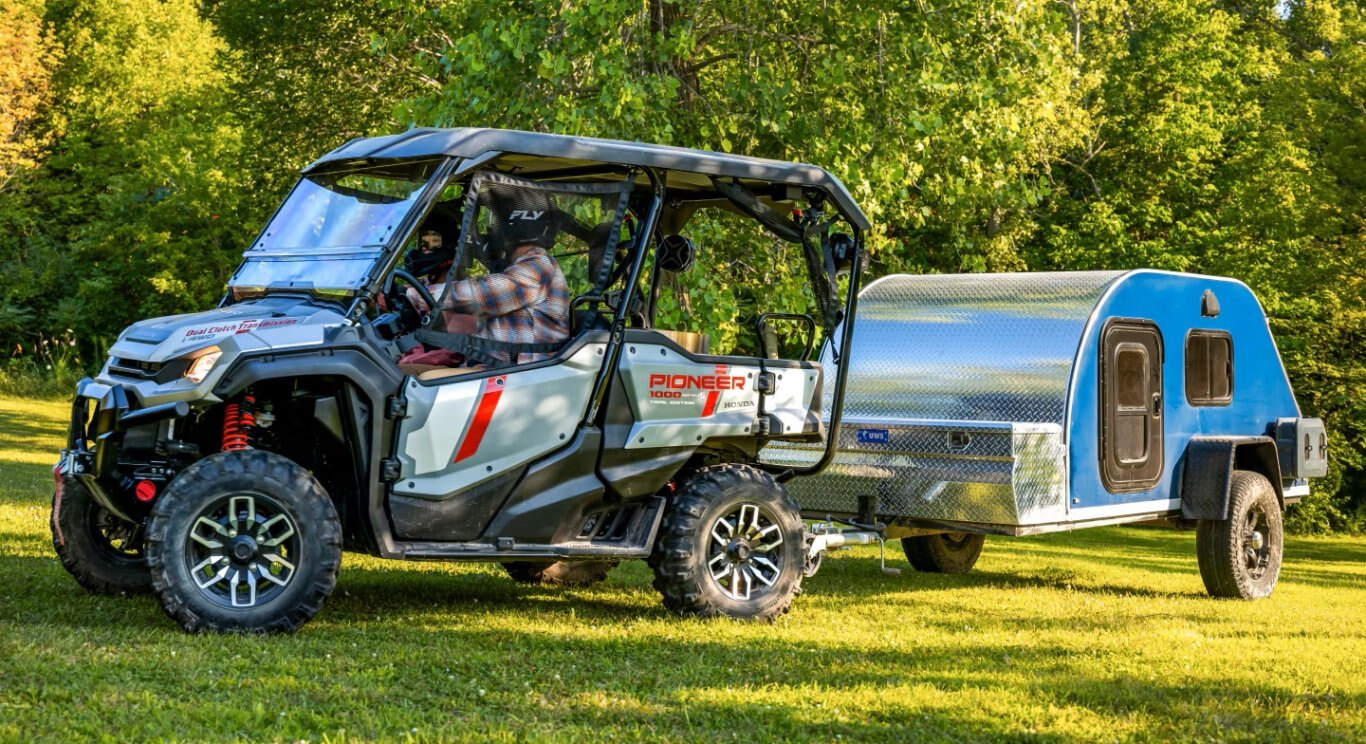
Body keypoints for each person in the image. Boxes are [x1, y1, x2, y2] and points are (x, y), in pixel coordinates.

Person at [405, 192, 570, 369]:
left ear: (513, 224)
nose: (491, 229)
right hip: (490, 368)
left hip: (518, 375)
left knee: (407, 375)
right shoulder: (518, 271)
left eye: (497, 220)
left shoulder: (539, 266)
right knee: (397, 371)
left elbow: (480, 293)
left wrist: (413, 294)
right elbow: (469, 314)